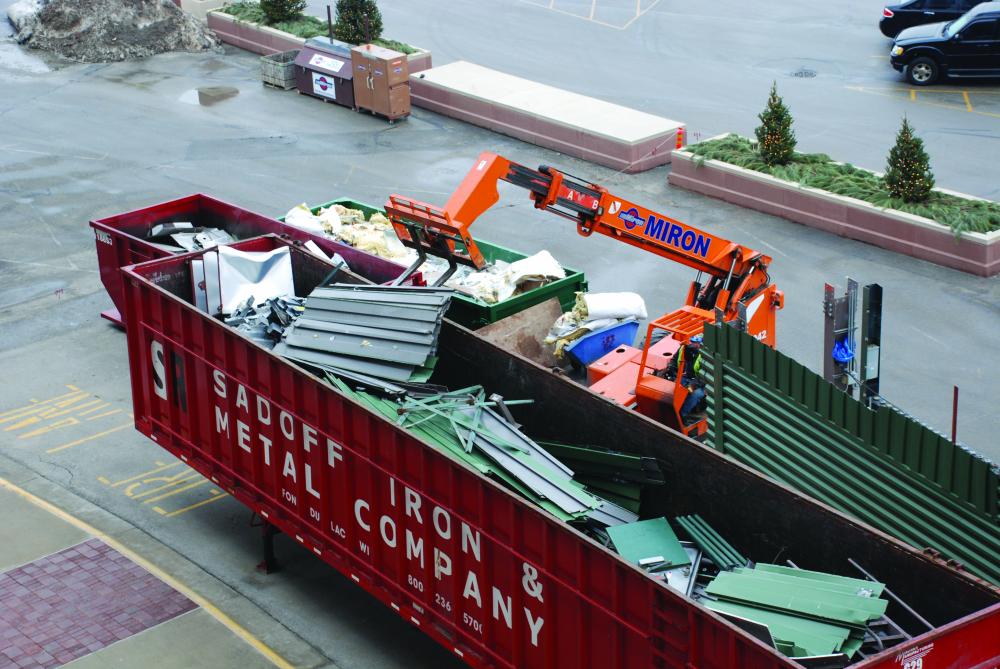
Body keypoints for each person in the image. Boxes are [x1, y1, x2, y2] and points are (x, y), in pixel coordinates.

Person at [661, 335, 706, 424]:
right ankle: (670, 410)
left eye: (695, 343)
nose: (693, 345)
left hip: (701, 383)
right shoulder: (683, 349)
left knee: (695, 395)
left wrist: (692, 386)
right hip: (685, 377)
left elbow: (704, 376)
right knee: (673, 387)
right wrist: (670, 369)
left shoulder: (704, 355)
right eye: (691, 342)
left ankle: (682, 416)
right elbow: (674, 360)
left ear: (700, 344)